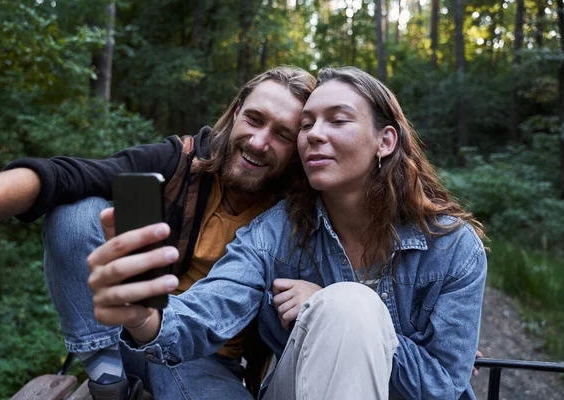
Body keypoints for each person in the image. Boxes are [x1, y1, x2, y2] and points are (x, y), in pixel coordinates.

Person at [87, 66, 488, 399]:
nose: (313, 134)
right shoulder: (275, 233)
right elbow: (208, 310)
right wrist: (146, 318)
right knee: (348, 306)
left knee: (348, 305)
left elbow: (444, 385)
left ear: (385, 141)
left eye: (338, 120)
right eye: (307, 124)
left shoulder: (453, 248)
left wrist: (326, 306)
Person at [0, 66, 317, 399]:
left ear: (300, 147)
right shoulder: (181, 164)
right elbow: (66, 176)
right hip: (125, 330)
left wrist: (320, 297)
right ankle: (107, 377)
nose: (258, 142)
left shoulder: (296, 213)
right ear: (237, 111)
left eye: (282, 134)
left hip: (205, 357)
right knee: (74, 210)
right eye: (254, 119)